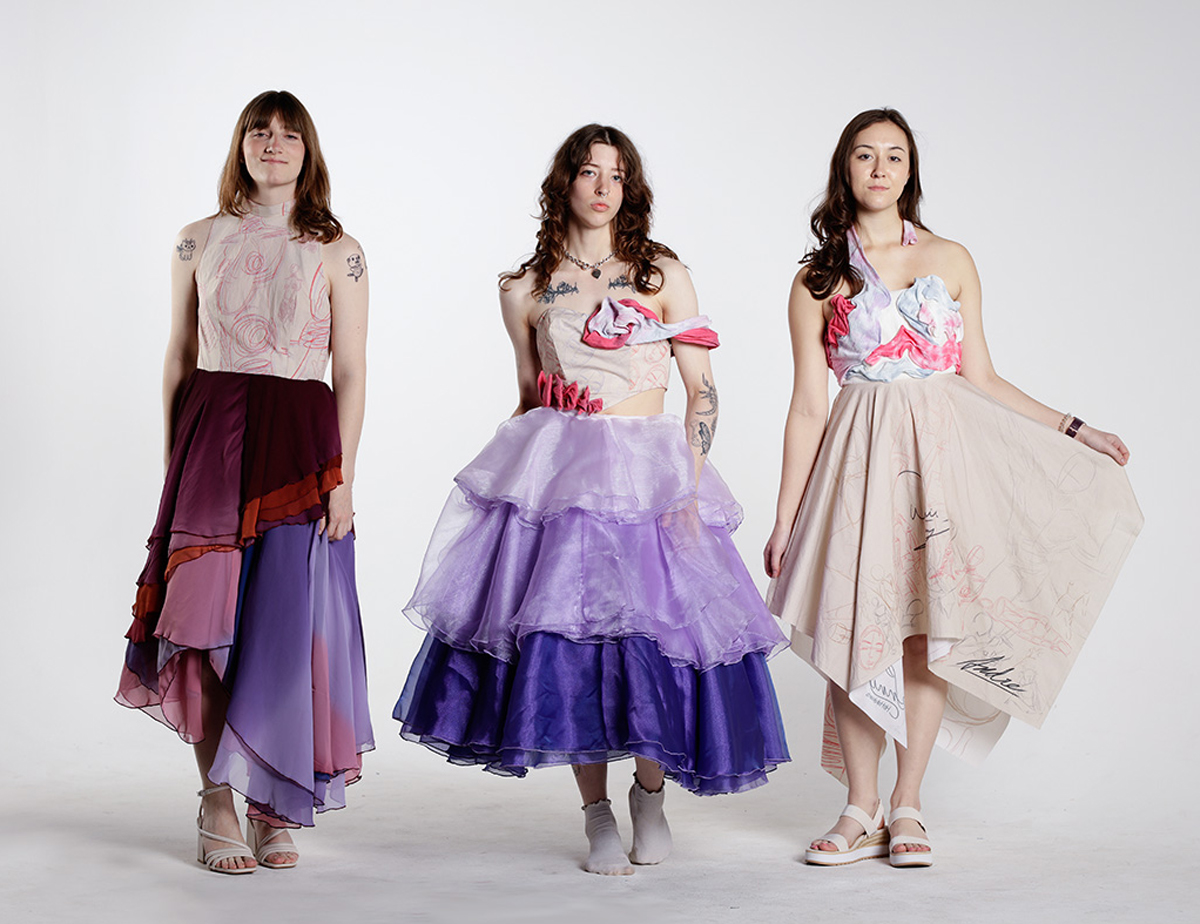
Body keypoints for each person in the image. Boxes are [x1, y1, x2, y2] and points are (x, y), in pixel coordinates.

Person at [395, 124, 789, 876]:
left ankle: (649, 793)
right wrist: (517, 468)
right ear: (564, 183)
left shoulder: (660, 274)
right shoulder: (526, 286)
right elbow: (525, 394)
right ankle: (596, 811)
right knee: (570, 643)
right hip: (565, 474)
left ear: (629, 187)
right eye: (588, 171)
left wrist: (693, 483)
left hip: (651, 474)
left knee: (653, 639)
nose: (602, 186)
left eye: (616, 174)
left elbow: (702, 388)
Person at [763, 109, 1142, 868]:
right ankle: (858, 806)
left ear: (910, 171)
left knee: (923, 634)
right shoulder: (818, 277)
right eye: (864, 156)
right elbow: (808, 405)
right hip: (858, 463)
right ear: (845, 169)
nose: (879, 169)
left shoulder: (953, 257)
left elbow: (983, 377)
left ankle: (907, 805)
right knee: (856, 627)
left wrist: (1075, 428)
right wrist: (785, 517)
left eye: (894, 156)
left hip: (940, 465)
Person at [116, 90, 373, 874]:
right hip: (212, 439)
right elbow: (177, 355)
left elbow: (353, 371)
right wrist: (175, 462)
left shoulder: (339, 249)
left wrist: (344, 480)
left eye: (289, 135)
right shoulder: (196, 240)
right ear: (241, 144)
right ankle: (217, 798)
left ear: (309, 151)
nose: (273, 144)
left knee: (281, 630)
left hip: (299, 448)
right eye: (260, 132)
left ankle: (272, 803)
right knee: (202, 624)